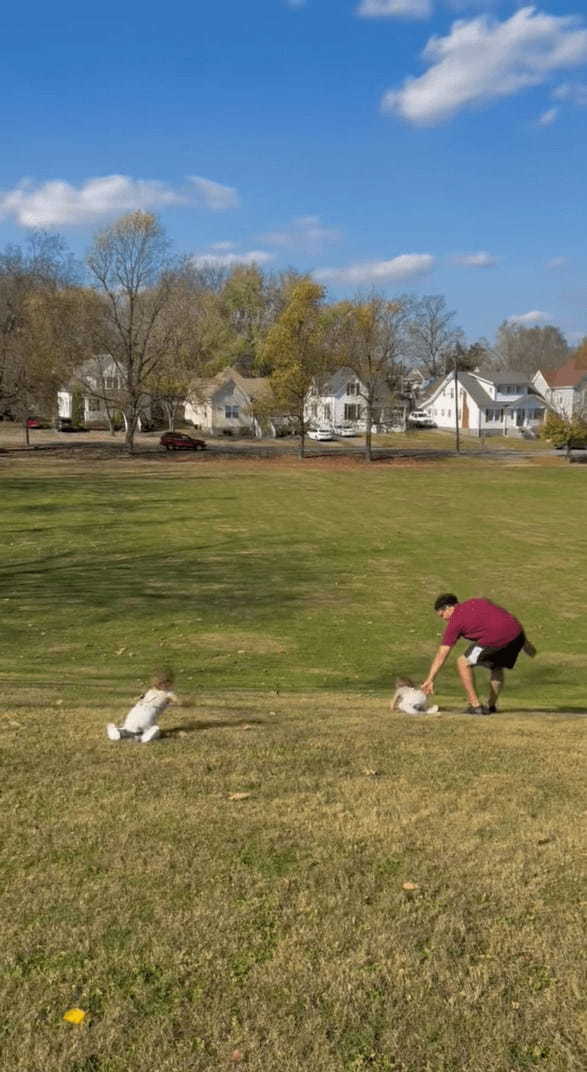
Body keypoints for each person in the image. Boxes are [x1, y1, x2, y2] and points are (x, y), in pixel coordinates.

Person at [421, 594, 536, 716]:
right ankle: (491, 706)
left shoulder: (455, 621)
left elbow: (442, 653)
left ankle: (475, 706)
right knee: (496, 667)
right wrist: (525, 643)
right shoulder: (478, 601)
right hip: (517, 635)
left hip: (496, 638)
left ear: (449, 608)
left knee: (462, 662)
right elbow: (504, 615)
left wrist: (430, 679)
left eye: (442, 615)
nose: (444, 619)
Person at [106, 670, 177, 743]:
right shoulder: (168, 693)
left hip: (134, 713)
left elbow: (142, 697)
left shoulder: (150, 691)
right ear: (167, 683)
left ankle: (120, 732)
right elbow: (178, 701)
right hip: (148, 715)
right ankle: (147, 735)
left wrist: (140, 697)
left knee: (129, 729)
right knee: (154, 729)